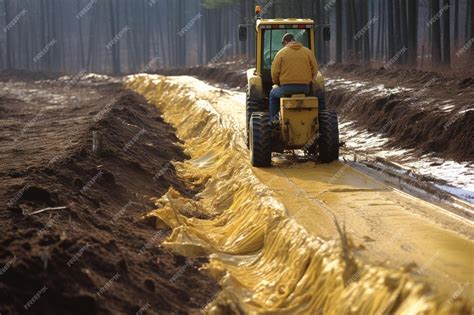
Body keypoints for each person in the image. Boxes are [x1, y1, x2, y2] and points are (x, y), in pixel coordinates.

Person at [270, 33, 318, 121]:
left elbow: (275, 72)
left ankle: (274, 119)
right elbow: (315, 70)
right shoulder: (308, 52)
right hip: (305, 89)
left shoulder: (281, 53)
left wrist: (276, 82)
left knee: (273, 94)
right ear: (294, 40)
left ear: (285, 41)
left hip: (286, 89)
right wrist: (310, 81)